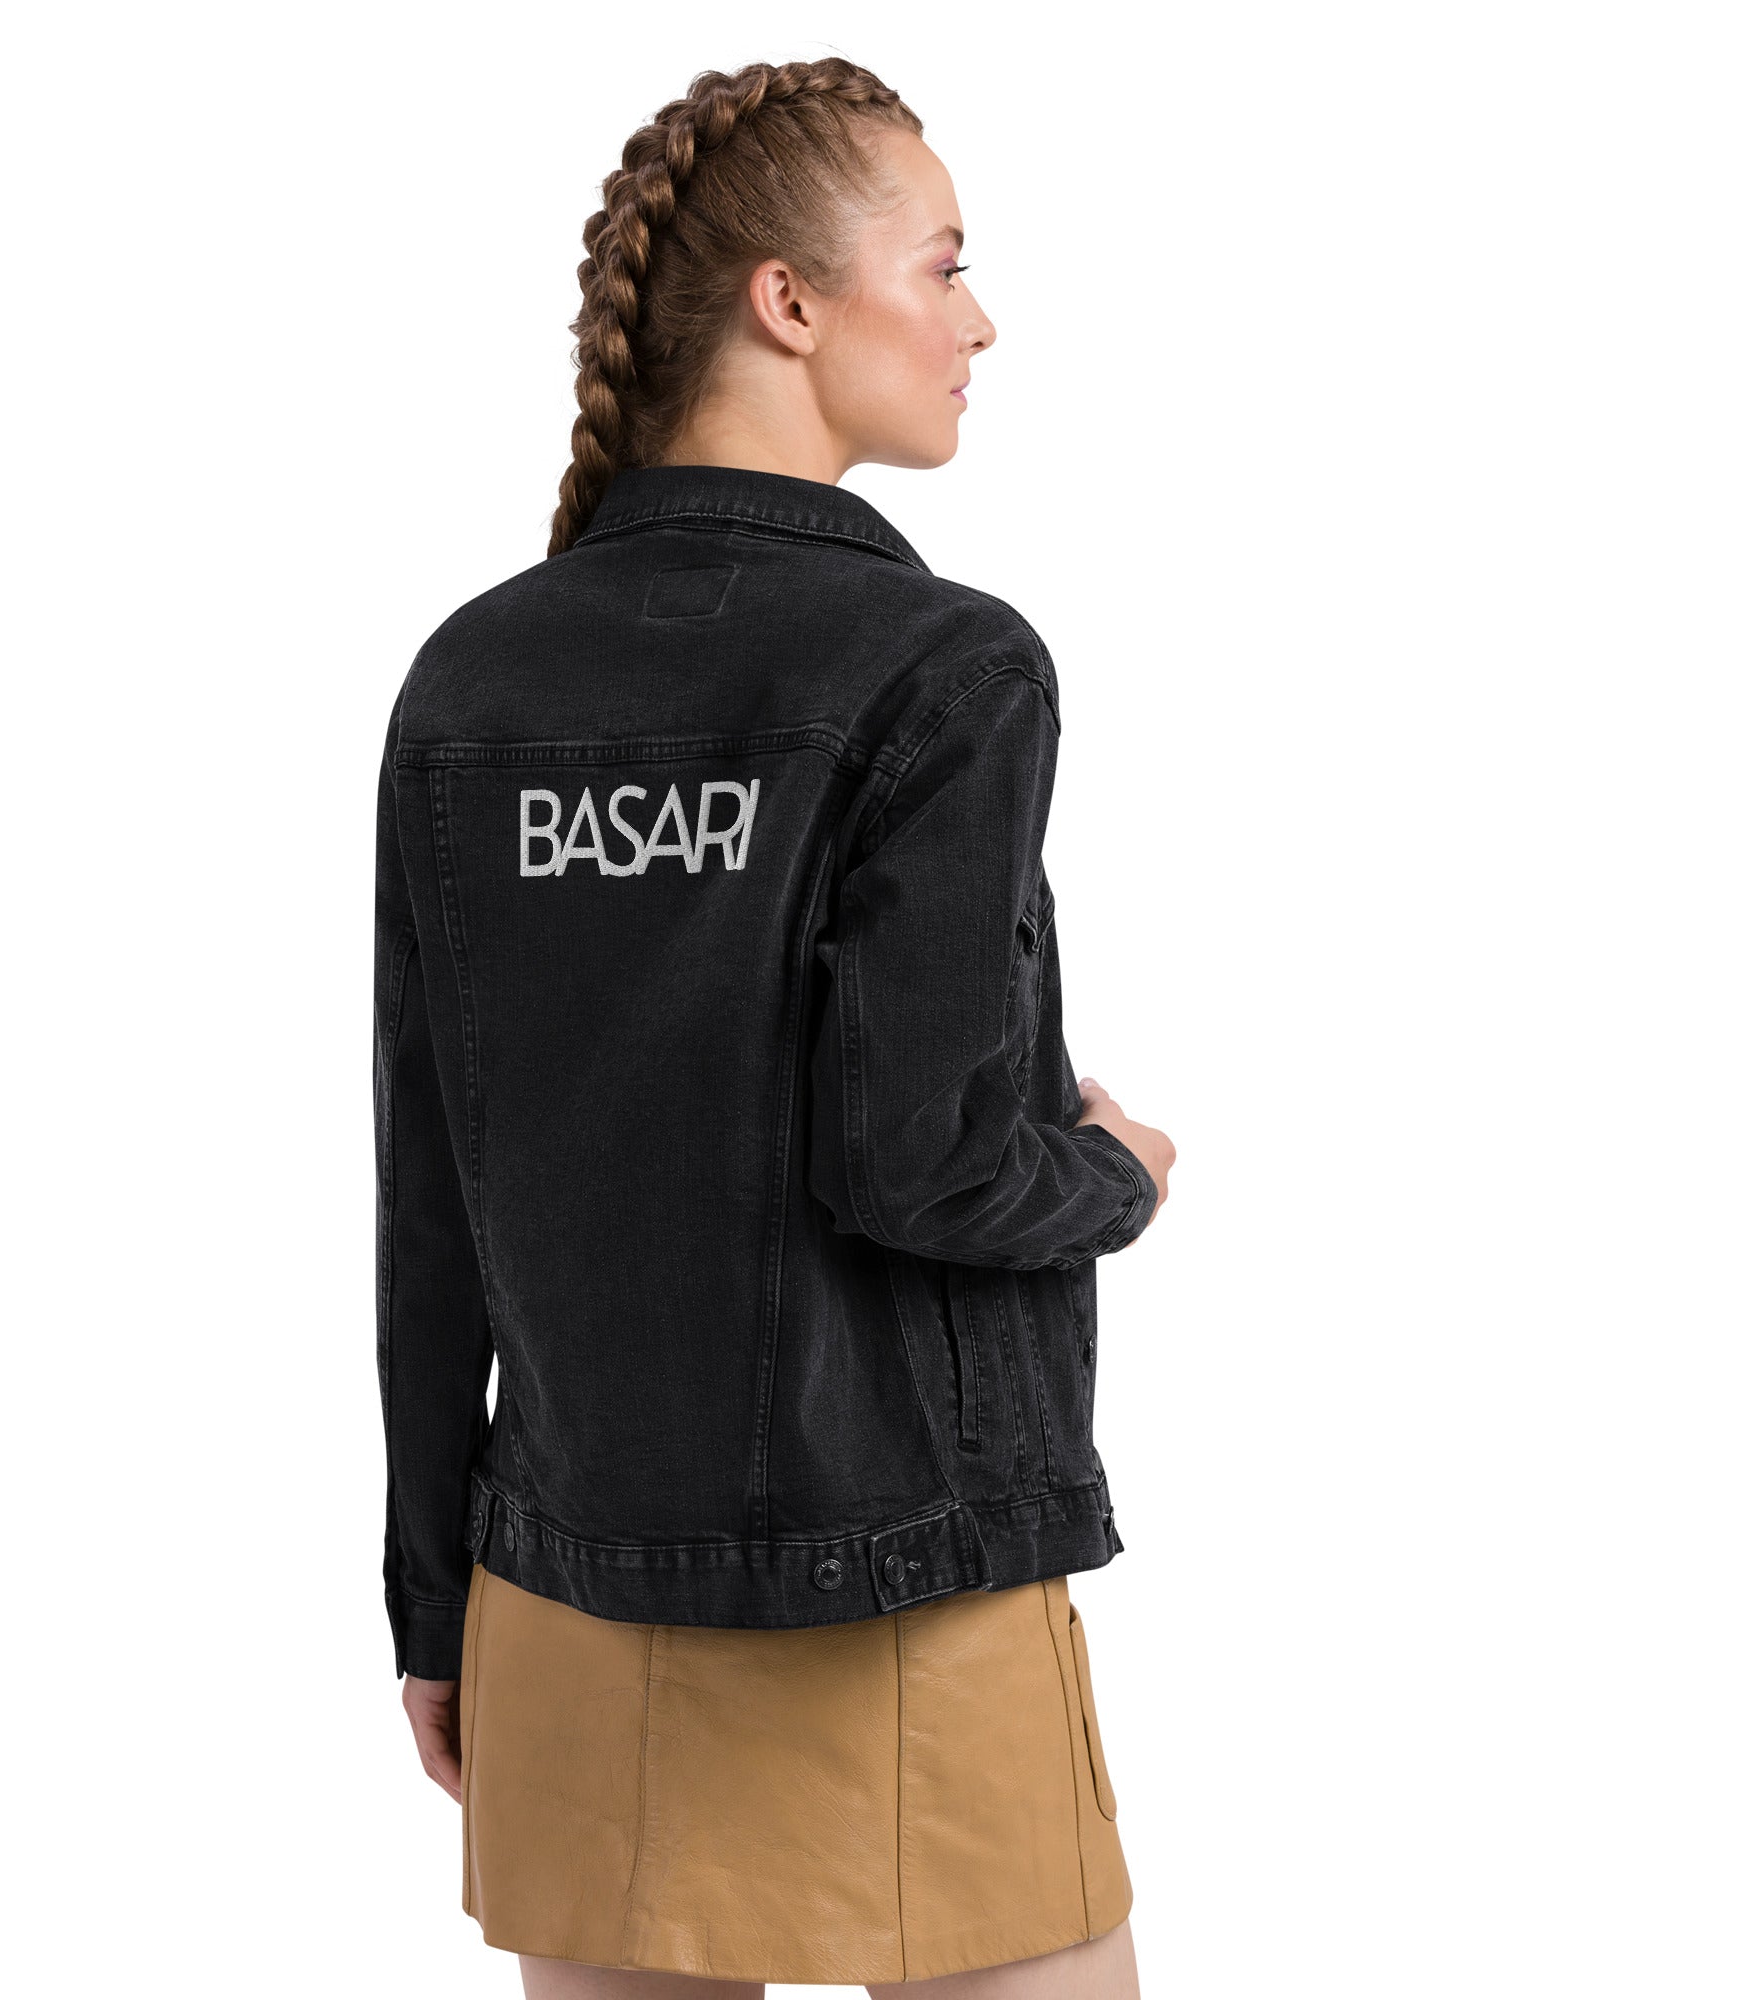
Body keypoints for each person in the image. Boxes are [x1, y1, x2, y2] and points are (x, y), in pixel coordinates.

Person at [373, 56, 1176, 1999]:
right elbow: (918, 1161)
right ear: (788, 302)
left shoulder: (470, 683)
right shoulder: (945, 666)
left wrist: (431, 1598)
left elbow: (431, 1199)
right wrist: (1112, 1175)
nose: (981, 319)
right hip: (906, 1596)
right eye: (946, 262)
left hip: (561, 1593)